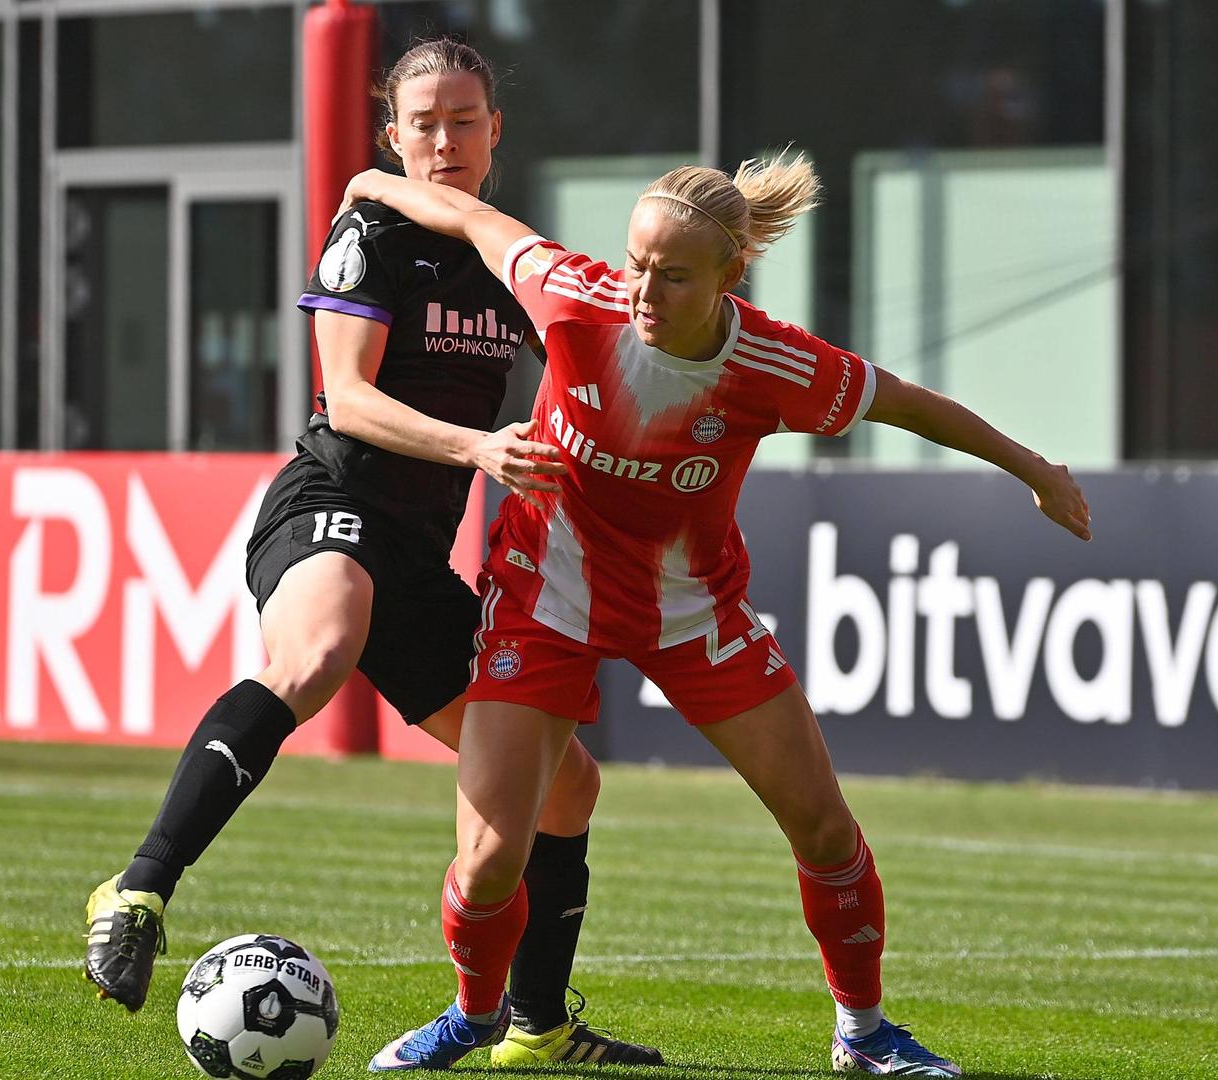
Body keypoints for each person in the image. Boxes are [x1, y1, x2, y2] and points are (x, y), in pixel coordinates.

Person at [342, 152, 1090, 1076]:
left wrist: (1038, 472)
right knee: (493, 858)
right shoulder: (575, 295)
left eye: (675, 274)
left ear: (731, 276)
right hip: (544, 598)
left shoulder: (775, 363)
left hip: (690, 613)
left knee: (821, 824)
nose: (644, 289)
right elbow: (472, 220)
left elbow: (911, 405)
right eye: (637, 263)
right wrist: (373, 186)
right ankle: (474, 1014)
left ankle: (863, 1031)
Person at [82, 39, 662, 1068]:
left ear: (495, 132)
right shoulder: (372, 232)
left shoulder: (511, 263)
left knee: (566, 784)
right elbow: (347, 398)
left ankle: (536, 1028)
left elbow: (602, 366)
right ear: (394, 137)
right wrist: (482, 448)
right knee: (320, 647)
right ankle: (138, 889)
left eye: (465, 120)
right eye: (424, 123)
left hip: (416, 556)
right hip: (331, 503)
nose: (445, 140)